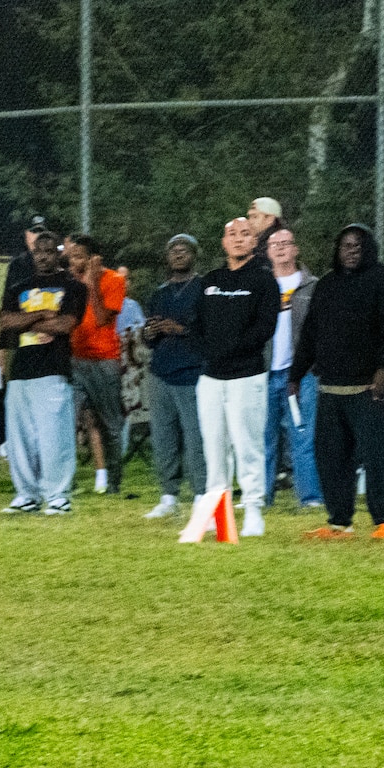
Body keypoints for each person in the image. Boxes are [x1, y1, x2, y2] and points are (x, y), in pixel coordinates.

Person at [290, 224, 384, 539]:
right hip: (331, 388)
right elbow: (310, 334)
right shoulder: (326, 285)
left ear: (368, 248)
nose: (352, 250)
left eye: (358, 245)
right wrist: (295, 374)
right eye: (346, 244)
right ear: (337, 249)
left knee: (379, 457)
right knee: (332, 459)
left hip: (370, 389)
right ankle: (339, 522)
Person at [194, 217, 279, 537]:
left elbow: (265, 328)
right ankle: (220, 515)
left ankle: (254, 509)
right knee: (214, 446)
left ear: (255, 242)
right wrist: (208, 353)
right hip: (211, 378)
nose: (239, 239)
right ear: (223, 242)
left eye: (246, 234)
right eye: (232, 234)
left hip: (247, 375)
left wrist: (231, 350)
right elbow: (196, 325)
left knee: (247, 445)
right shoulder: (210, 280)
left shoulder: (263, 280)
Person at [0, 231, 86, 515]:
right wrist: (41, 316)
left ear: (58, 253)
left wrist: (25, 322)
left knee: (54, 437)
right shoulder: (18, 285)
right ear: (32, 253)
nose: (44, 256)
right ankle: (27, 495)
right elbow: (5, 321)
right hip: (20, 370)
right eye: (39, 251)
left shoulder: (72, 286)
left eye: (49, 251)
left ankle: (58, 496)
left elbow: (65, 325)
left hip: (53, 369)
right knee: (20, 437)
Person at [141, 234, 207, 518]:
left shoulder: (204, 288)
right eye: (173, 251)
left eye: (184, 250)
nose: (178, 254)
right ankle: (168, 496)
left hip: (192, 371)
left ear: (194, 255)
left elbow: (210, 330)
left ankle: (201, 495)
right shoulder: (160, 293)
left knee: (195, 440)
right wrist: (149, 333)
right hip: (161, 372)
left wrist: (179, 328)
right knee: (163, 438)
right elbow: (149, 339)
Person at [262, 227, 321, 511]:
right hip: (263, 373)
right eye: (275, 244)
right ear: (268, 251)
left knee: (303, 435)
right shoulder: (261, 285)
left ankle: (309, 497)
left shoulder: (313, 286)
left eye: (286, 243)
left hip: (302, 375)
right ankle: (261, 496)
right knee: (264, 437)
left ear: (296, 249)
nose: (281, 248)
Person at [64, 233, 126, 495]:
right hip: (74, 359)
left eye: (78, 256)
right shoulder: (68, 281)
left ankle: (113, 482)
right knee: (67, 420)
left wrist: (90, 285)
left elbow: (101, 319)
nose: (72, 261)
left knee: (110, 423)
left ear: (93, 259)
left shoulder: (113, 280)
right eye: (71, 256)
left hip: (103, 361)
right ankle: (65, 482)